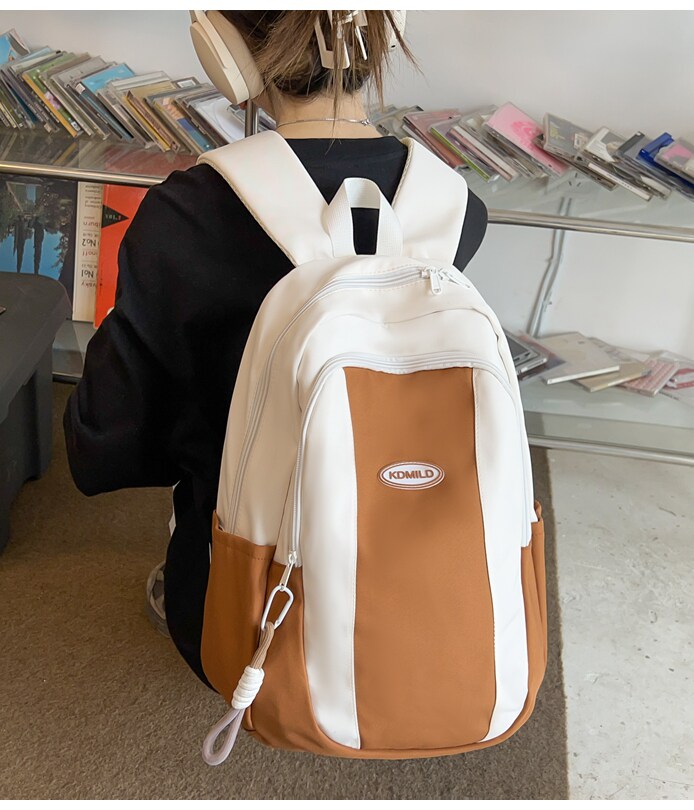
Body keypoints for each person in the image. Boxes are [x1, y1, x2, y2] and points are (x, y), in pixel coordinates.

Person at [63, 10, 489, 688]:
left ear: (224, 48)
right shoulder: (455, 206)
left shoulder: (189, 210)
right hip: (415, 540)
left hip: (243, 591)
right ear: (384, 28)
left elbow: (109, 436)